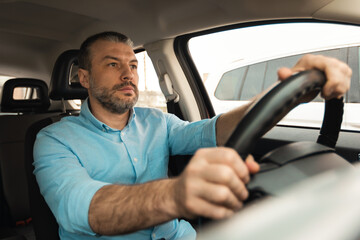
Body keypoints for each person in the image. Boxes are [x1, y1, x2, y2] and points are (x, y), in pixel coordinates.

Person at [33, 31, 352, 240]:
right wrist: (174, 194)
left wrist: (289, 91)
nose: (128, 73)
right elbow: (77, 208)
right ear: (85, 78)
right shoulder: (53, 139)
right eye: (113, 64)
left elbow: (215, 132)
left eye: (132, 64)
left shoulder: (157, 121)